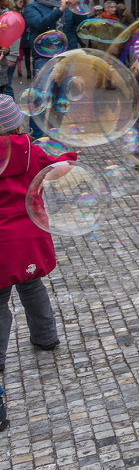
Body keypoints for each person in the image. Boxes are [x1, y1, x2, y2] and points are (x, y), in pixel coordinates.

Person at [0, 94, 77, 434]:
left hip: (1, 243)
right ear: (18, 124)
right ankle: (46, 337)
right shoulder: (31, 152)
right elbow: (59, 166)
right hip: (29, 235)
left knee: (0, 301)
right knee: (32, 287)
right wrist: (68, 158)